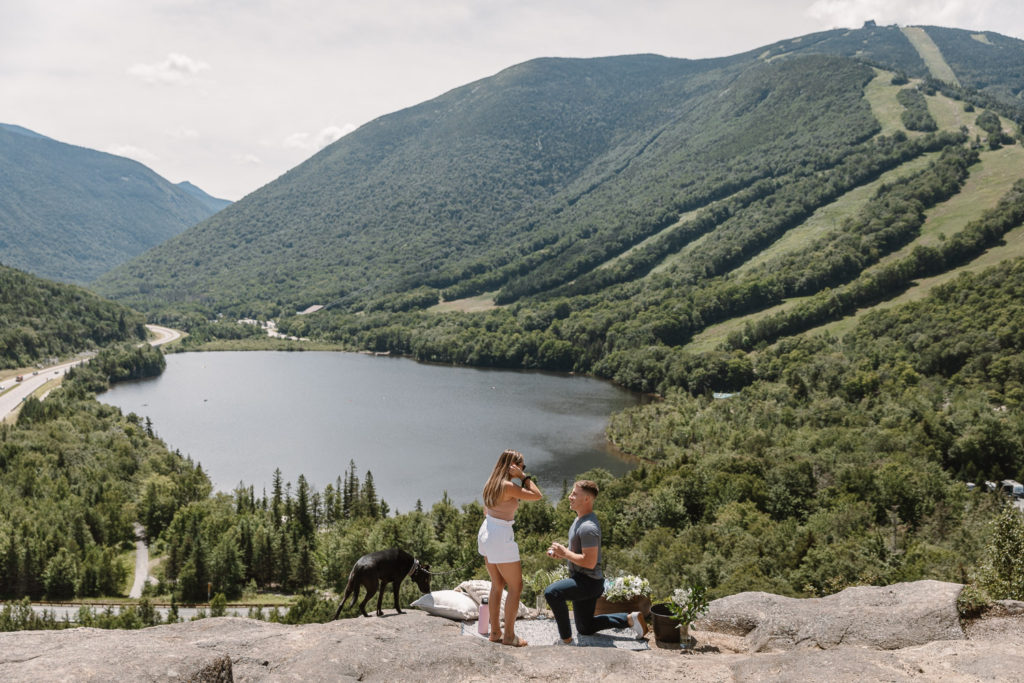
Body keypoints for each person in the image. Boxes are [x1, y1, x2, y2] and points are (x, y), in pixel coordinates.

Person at [544, 480, 649, 644]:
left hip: (588, 582)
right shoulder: (578, 520)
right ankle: (630, 619)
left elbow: (590, 562)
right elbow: (578, 555)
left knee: (553, 593)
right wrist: (562, 554)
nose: (570, 497)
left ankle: (566, 641)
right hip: (583, 579)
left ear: (587, 499)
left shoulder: (588, 527)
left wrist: (565, 553)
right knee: (585, 627)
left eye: (574, 494)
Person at [477, 448, 543, 646]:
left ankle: (495, 632)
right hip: (501, 534)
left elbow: (486, 510)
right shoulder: (507, 486)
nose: (523, 469)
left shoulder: (490, 483)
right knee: (516, 586)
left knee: (497, 584)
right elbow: (537, 495)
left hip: (487, 531)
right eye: (522, 465)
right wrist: (523, 477)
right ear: (513, 466)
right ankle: (509, 636)